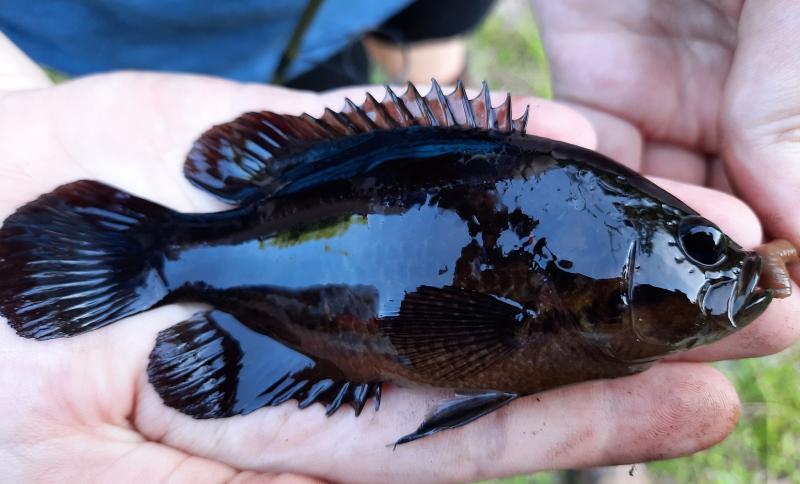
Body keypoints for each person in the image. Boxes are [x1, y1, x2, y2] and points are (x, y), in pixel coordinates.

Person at [0, 1, 798, 482]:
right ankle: (165, 255)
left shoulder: (594, 226)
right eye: (698, 246)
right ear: (601, 297)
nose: (721, 269)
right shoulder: (588, 250)